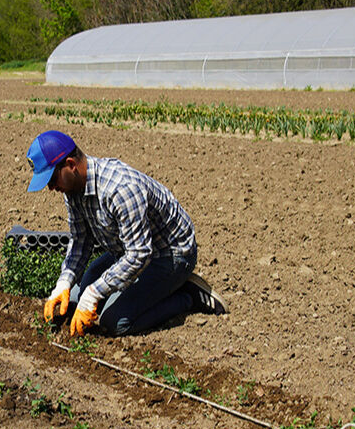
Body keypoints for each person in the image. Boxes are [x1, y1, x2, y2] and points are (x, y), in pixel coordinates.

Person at [25, 130, 225, 337]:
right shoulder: (71, 188)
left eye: (52, 179)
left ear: (71, 165)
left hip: (168, 254)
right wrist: (64, 283)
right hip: (125, 249)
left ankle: (186, 295)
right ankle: (150, 291)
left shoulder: (120, 188)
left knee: (114, 321)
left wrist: (94, 294)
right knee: (76, 300)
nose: (51, 187)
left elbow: (139, 254)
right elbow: (81, 241)